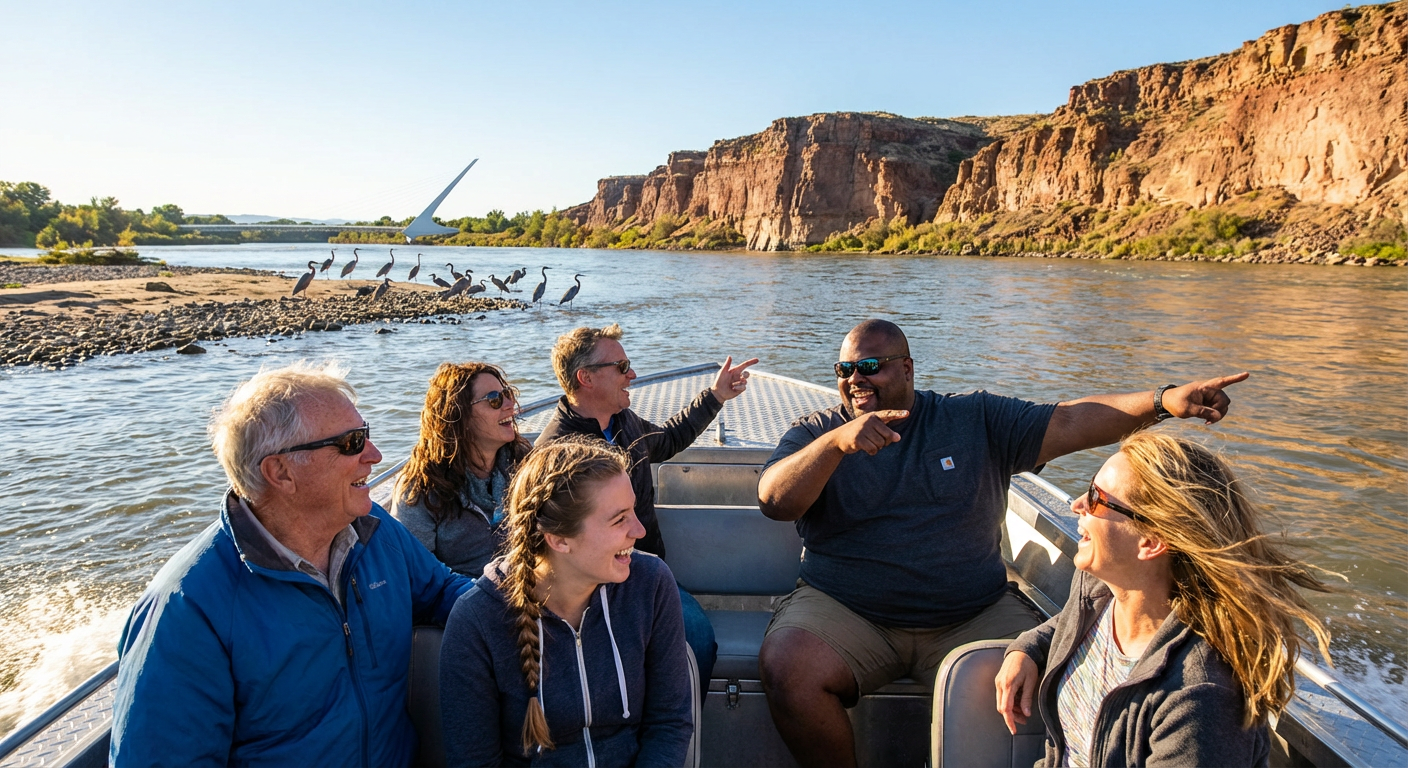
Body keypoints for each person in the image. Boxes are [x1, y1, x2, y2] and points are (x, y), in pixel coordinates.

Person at [756, 318, 1249, 767]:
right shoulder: (815, 433)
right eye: (845, 368)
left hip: (971, 611)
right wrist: (836, 445)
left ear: (907, 368)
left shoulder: (974, 420)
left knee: (1044, 674)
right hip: (847, 610)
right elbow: (774, 499)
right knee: (787, 667)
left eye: (869, 366)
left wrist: (1161, 402)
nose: (854, 378)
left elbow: (1071, 421)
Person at [109, 362, 474, 767]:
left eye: (366, 434)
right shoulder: (187, 609)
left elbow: (444, 592)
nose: (374, 455)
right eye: (352, 442)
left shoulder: (373, 531)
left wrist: (539, 596)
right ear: (280, 472)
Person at [995, 432, 1332, 767]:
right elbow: (1068, 626)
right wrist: (1027, 648)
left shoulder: (1199, 699)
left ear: (1151, 541)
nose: (1078, 504)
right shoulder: (1098, 590)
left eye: (1097, 498)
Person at [439, 438, 695, 767]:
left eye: (634, 511)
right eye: (619, 520)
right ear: (559, 539)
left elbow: (669, 723)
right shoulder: (477, 620)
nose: (640, 530)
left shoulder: (651, 584)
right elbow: (475, 761)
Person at [535, 322, 758, 690]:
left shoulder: (625, 422)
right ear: (585, 377)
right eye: (621, 367)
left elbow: (668, 440)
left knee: (697, 641)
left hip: (646, 574)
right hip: (586, 589)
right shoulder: (557, 451)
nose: (632, 374)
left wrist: (715, 396)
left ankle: (677, 739)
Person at [392, 362, 532, 576]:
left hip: (530, 588)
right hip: (463, 600)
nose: (510, 404)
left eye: (508, 393)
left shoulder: (522, 461)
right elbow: (417, 575)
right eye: (494, 399)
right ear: (459, 416)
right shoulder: (421, 487)